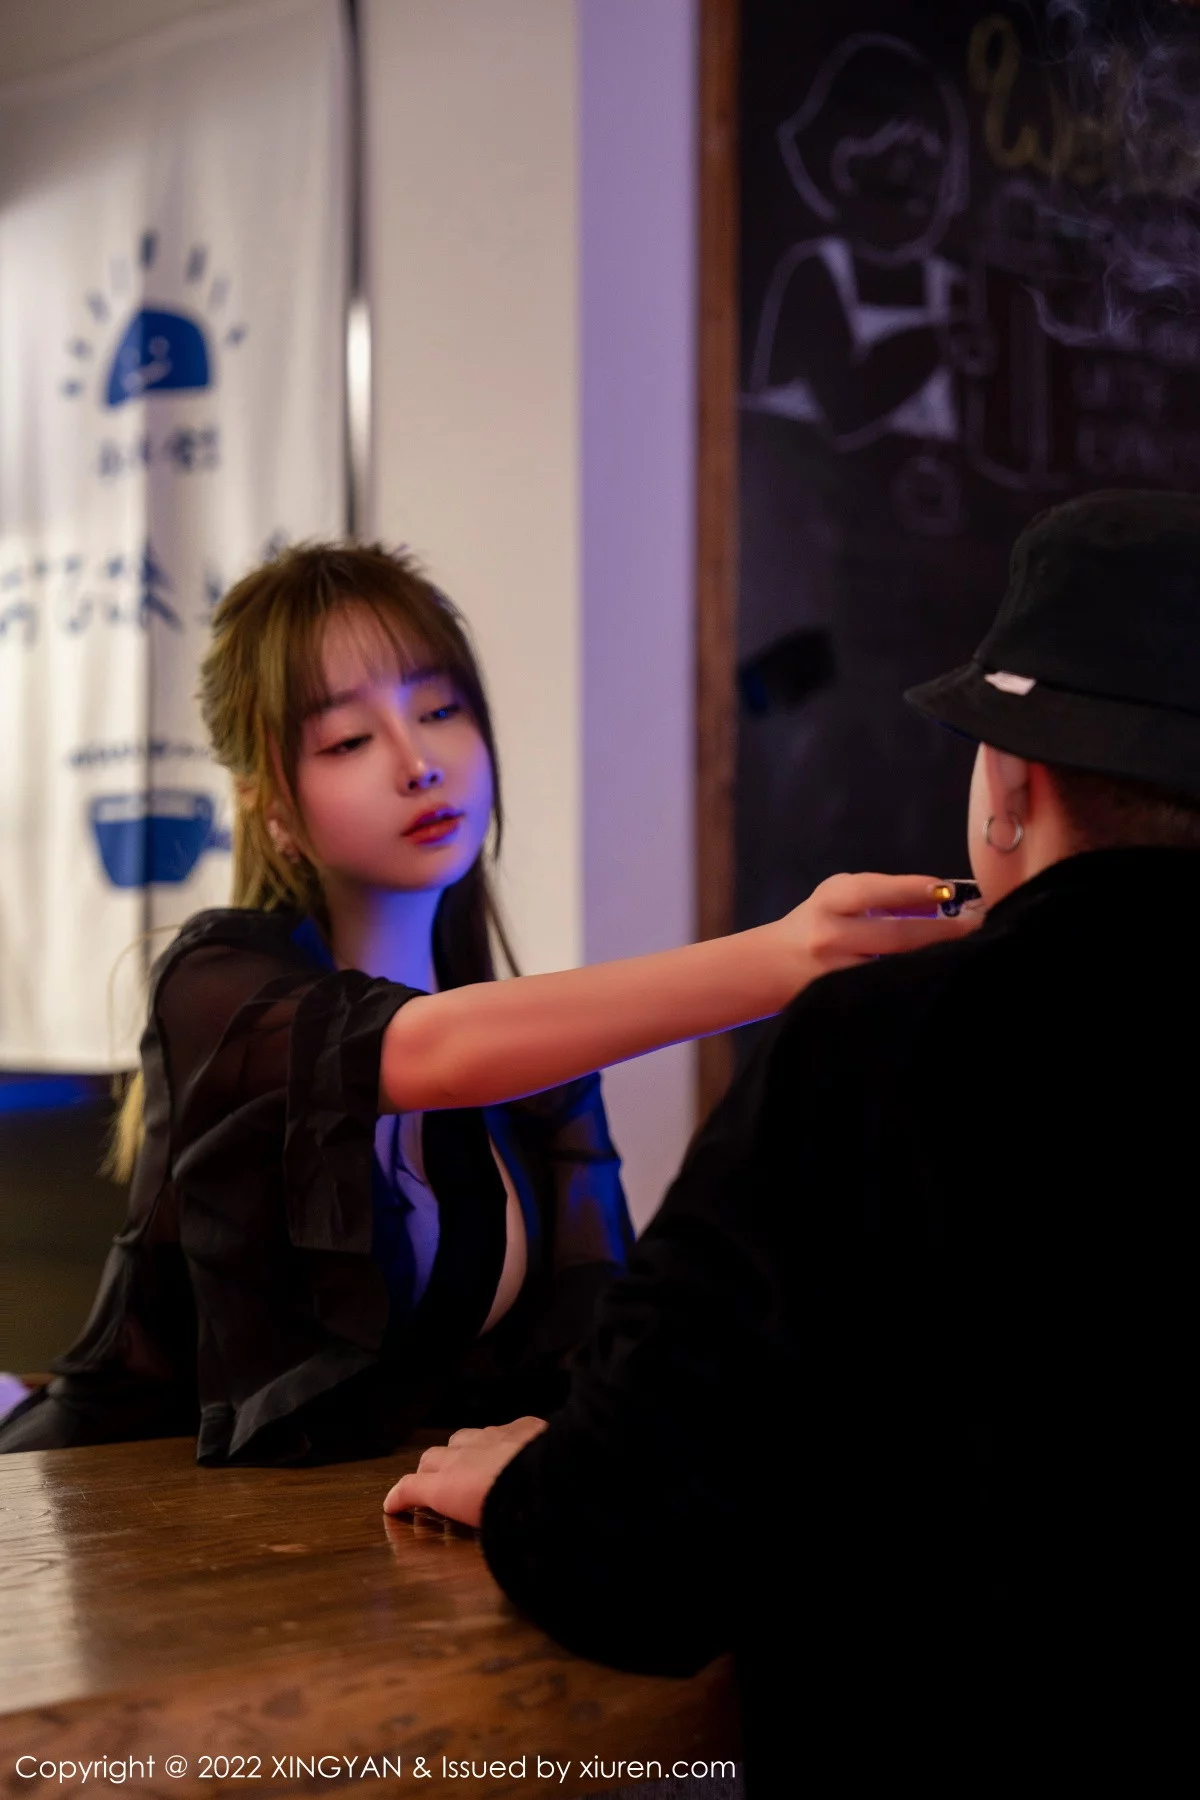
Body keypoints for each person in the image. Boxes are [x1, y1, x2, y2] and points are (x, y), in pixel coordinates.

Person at [385, 489, 1200, 1790]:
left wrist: (542, 1488)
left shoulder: (879, 1052)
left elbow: (637, 1553)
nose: (413, 763)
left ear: (1012, 783)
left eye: (435, 714)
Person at [0, 543, 968, 1464]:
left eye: (438, 709)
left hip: (344, 1547)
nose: (417, 761)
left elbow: (601, 1361)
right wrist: (782, 957)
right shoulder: (216, 988)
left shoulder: (534, 1066)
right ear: (272, 806)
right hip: (86, 1514)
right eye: (347, 739)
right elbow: (425, 1053)